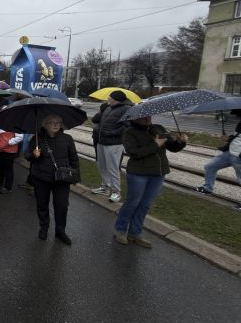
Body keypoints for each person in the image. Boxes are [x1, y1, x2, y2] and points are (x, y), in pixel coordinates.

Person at [114, 116, 187, 247]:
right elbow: (134, 153)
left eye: (148, 116)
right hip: (138, 173)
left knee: (145, 204)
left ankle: (135, 233)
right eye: (143, 117)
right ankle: (120, 230)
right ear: (135, 118)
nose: (147, 118)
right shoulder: (129, 132)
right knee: (132, 203)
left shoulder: (158, 128)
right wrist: (155, 144)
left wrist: (180, 142)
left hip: (158, 173)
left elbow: (172, 147)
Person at [26, 114, 79, 245]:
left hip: (61, 179)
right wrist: (34, 155)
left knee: (62, 206)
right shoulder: (37, 139)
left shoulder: (67, 138)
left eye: (58, 122)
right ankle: (44, 227)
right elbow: (27, 155)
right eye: (51, 122)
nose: (55, 125)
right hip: (41, 177)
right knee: (42, 204)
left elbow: (74, 158)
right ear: (45, 125)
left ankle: (60, 231)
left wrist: (76, 176)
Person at [91, 91, 131, 202]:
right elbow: (98, 121)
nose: (108, 99)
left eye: (110, 97)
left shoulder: (126, 109)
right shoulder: (108, 108)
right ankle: (105, 187)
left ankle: (116, 192)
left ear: (116, 99)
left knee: (113, 168)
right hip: (101, 141)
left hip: (114, 144)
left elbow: (127, 126)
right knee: (101, 165)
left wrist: (113, 133)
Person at [194, 109, 241, 196]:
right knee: (210, 166)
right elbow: (237, 137)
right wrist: (229, 138)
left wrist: (229, 139)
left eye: (237, 114)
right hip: (230, 153)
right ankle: (207, 189)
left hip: (238, 156)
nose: (236, 117)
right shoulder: (240, 123)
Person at [0, 127, 24, 194]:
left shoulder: (15, 125)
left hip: (9, 151)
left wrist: (9, 142)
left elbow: (20, 137)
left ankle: (7, 187)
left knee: (8, 169)